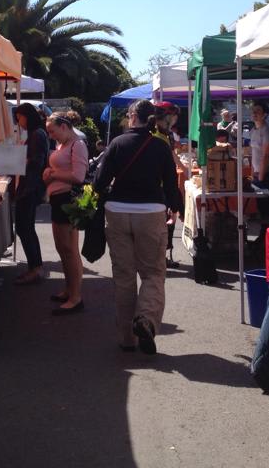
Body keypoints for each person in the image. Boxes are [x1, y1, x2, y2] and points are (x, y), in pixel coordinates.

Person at [92, 99, 183, 354]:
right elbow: (170, 182)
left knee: (124, 275)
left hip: (117, 212)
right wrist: (174, 207)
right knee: (153, 272)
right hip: (151, 212)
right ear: (152, 118)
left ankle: (126, 339)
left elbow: (99, 181)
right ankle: (146, 319)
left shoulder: (117, 144)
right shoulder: (160, 146)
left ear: (132, 116)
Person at [42, 112, 88, 315]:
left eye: (52, 131)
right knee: (63, 249)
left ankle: (75, 297)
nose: (50, 135)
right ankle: (70, 290)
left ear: (64, 126)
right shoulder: (63, 145)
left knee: (69, 250)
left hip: (67, 200)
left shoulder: (77, 145)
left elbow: (78, 176)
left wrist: (52, 174)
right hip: (58, 199)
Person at [12, 103, 49, 286]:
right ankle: (36, 267)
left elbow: (36, 161)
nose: (18, 121)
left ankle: (35, 268)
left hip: (31, 187)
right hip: (30, 186)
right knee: (26, 228)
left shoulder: (37, 135)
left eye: (20, 117)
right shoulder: (36, 133)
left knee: (24, 227)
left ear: (27, 116)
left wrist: (16, 160)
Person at [248, 101, 269, 197]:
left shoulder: (268, 131)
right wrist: (253, 175)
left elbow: (267, 155)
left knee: (267, 207)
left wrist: (260, 178)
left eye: (258, 111)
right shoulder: (253, 130)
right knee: (259, 207)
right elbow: (254, 154)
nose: (254, 113)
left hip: (267, 175)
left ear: (264, 115)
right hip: (257, 175)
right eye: (253, 111)